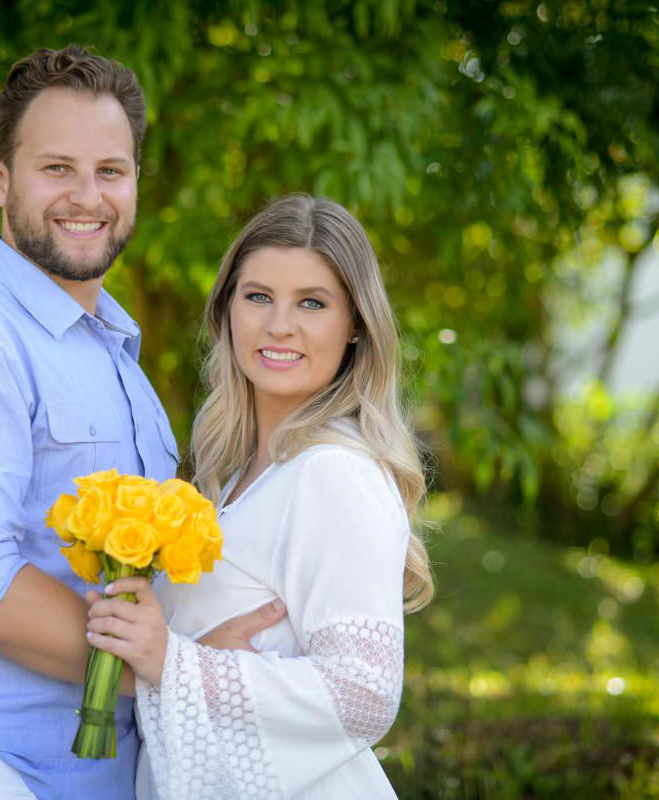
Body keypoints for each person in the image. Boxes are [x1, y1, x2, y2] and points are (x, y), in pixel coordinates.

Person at [0, 46, 284, 800]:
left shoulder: (119, 359)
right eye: (56, 168)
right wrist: (169, 667)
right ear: (0, 179)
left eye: (110, 171)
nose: (87, 196)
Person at [87, 194, 435, 798]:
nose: (280, 325)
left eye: (312, 303)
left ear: (355, 325)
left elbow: (364, 694)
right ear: (227, 310)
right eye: (258, 297)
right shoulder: (236, 476)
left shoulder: (335, 472)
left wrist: (177, 662)